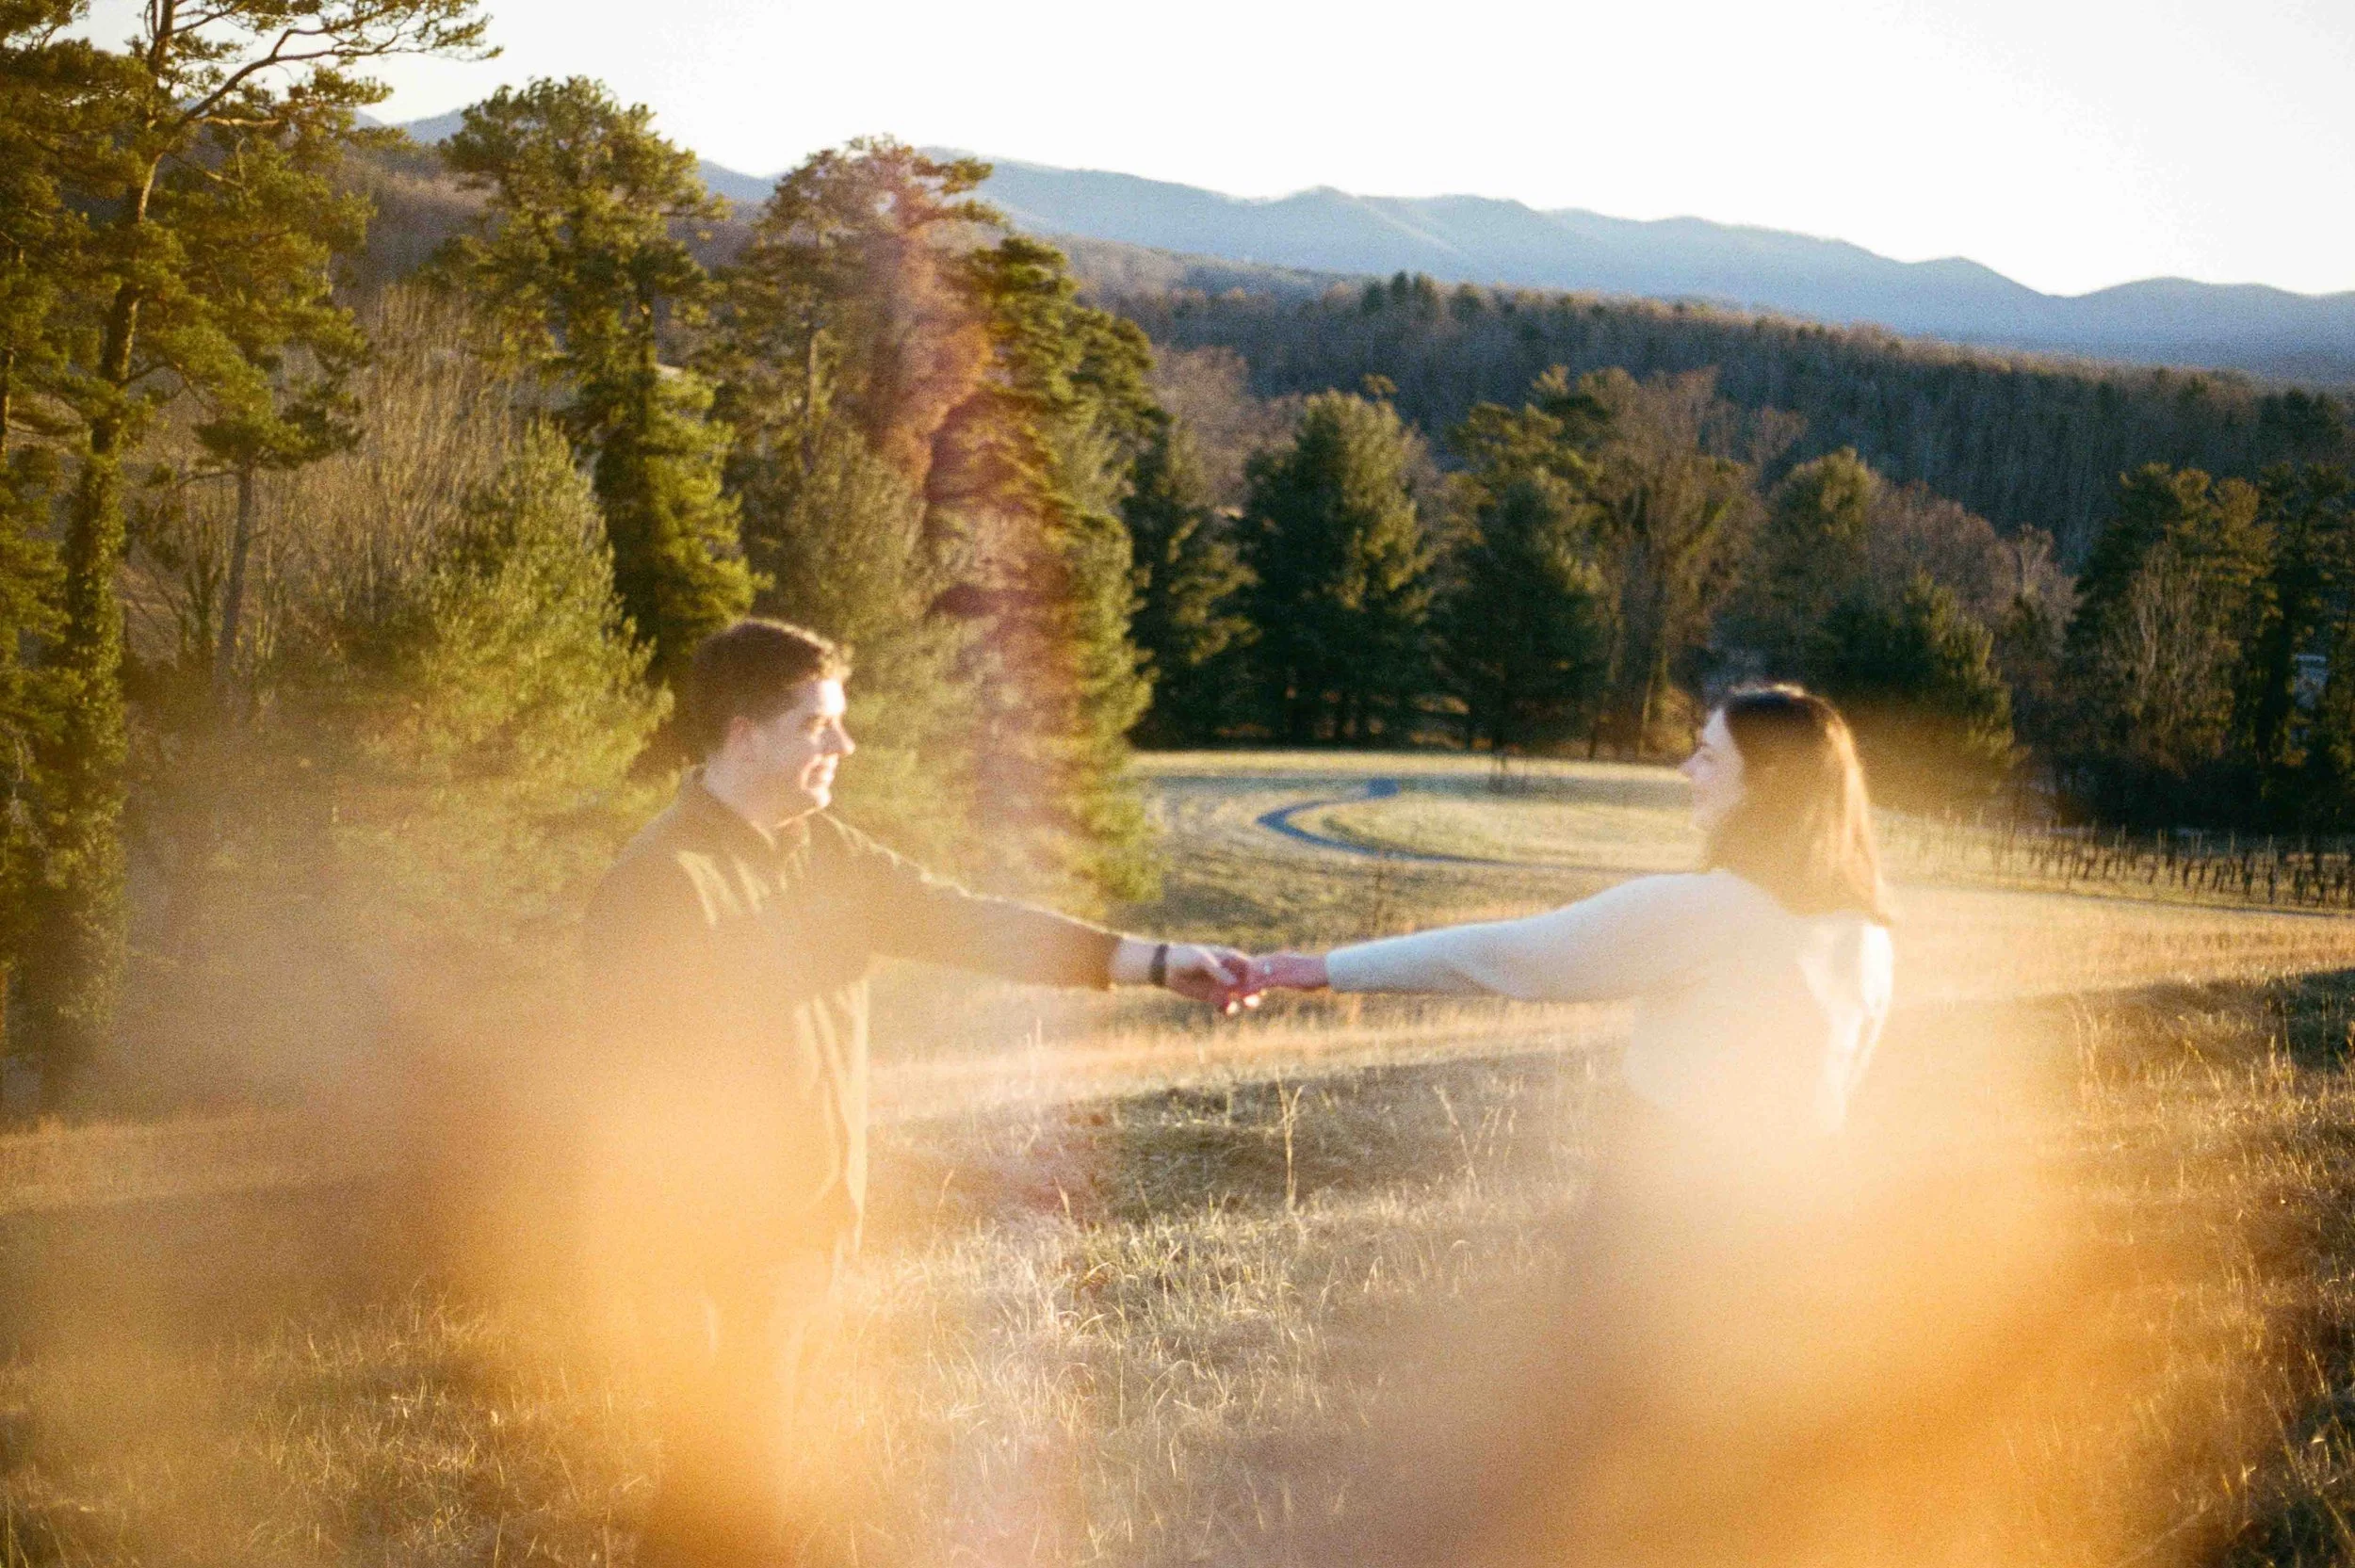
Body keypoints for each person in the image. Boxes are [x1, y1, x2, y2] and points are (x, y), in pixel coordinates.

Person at [580, 618, 1255, 1567]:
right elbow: (623, 1107)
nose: (842, 747)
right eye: (817, 725)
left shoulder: (824, 854)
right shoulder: (661, 884)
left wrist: (1146, 962)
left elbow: (968, 922)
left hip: (809, 1245)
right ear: (743, 736)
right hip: (717, 1273)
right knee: (727, 1518)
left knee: (726, 1516)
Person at [1250, 685, 1895, 1565]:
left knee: (1585, 1465)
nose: (1687, 769)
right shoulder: (1867, 936)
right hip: (1796, 1240)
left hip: (1659, 1232)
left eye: (1709, 754)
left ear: (1767, 782)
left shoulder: (1705, 910)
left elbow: (1512, 956)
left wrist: (1316, 967)